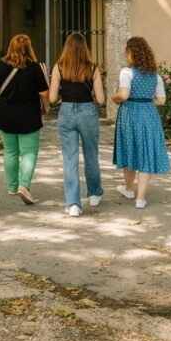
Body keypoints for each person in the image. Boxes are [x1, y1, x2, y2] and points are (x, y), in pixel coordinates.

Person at [0, 34, 50, 205]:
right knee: (29, 152)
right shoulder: (35, 68)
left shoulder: (0, 66)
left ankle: (12, 187)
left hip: (6, 114)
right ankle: (24, 185)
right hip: (28, 114)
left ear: (11, 47)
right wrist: (46, 107)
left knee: (10, 151)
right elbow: (44, 93)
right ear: (29, 48)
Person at [49, 33, 106, 217]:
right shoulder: (93, 69)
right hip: (88, 112)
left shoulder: (59, 67)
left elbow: (52, 98)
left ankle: (73, 203)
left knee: (70, 158)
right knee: (91, 154)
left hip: (66, 112)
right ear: (85, 49)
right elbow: (101, 99)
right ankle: (95, 193)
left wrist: (61, 96)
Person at [111, 36, 170, 209]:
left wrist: (113, 98)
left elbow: (123, 95)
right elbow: (161, 100)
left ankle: (129, 188)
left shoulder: (127, 72)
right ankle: (141, 198)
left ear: (131, 53)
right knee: (145, 152)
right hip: (149, 114)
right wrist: (146, 100)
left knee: (129, 149)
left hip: (129, 113)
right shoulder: (155, 76)